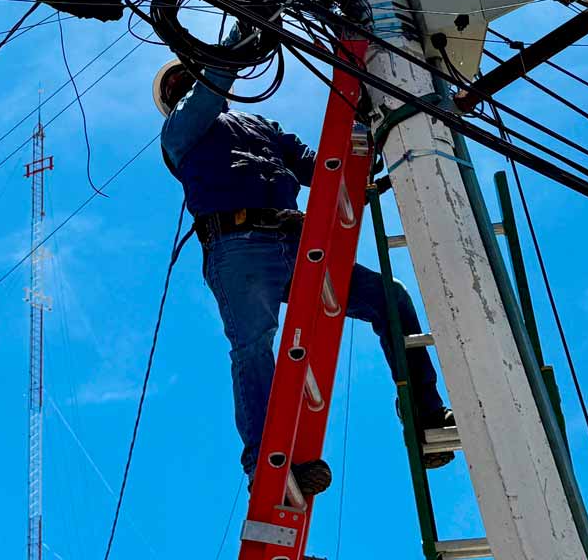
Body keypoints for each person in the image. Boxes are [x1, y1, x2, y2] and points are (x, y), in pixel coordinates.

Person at [155, 35, 454, 493]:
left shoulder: (259, 125)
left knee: (389, 298)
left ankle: (424, 412)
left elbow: (318, 167)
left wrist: (367, 132)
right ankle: (266, 464)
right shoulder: (179, 131)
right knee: (253, 346)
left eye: (185, 77)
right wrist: (237, 41)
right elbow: (211, 89)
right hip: (238, 246)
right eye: (176, 85)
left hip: (296, 242)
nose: (183, 85)